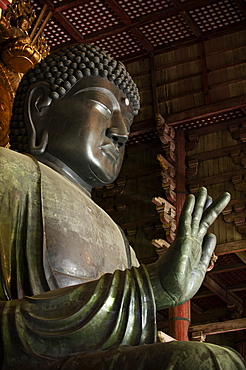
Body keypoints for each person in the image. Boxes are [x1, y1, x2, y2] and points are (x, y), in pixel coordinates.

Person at [0, 43, 245, 369]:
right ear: (40, 106)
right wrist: (148, 286)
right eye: (104, 108)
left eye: (127, 120)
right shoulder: (8, 174)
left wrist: (155, 290)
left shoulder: (117, 234)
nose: (122, 133)